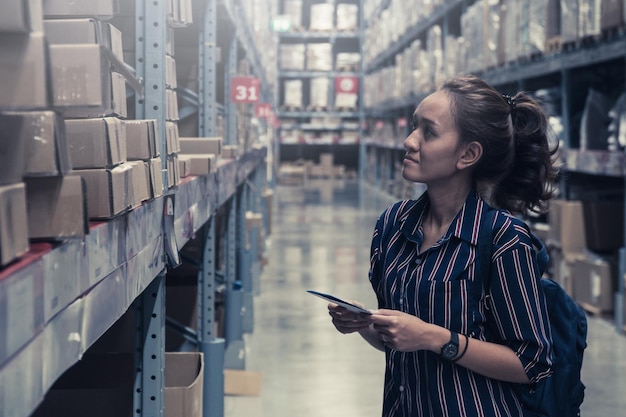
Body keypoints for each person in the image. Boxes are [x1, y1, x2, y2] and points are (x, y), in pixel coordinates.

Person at [327, 74, 560, 417]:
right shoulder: (392, 226)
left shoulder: (502, 240)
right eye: (413, 126)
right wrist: (366, 323)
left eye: (428, 132)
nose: (409, 141)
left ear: (467, 154)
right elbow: (402, 342)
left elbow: (532, 363)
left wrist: (436, 338)